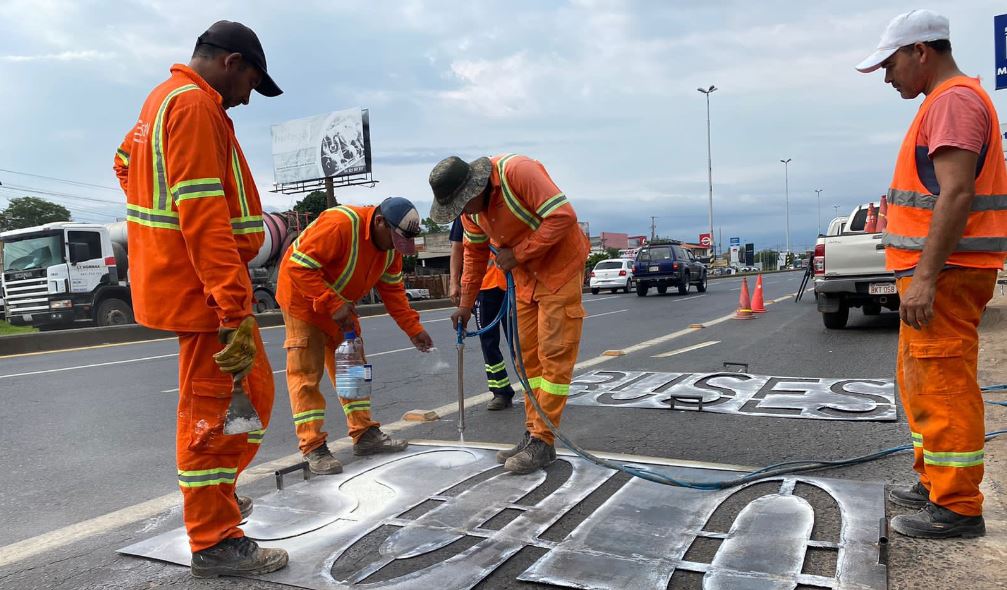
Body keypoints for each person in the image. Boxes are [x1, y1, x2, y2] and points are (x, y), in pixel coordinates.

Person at [113, 21, 288, 577]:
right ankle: (215, 540)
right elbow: (203, 212)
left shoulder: (161, 100)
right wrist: (232, 303)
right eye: (251, 85)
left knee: (249, 396)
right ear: (233, 62)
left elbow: (124, 164)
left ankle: (219, 507)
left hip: (191, 283)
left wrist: (154, 234)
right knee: (217, 417)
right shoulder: (195, 106)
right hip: (205, 292)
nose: (246, 101)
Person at [856, 9, 1007, 538]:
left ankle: (958, 507)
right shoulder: (949, 102)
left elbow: (957, 193)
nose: (887, 76)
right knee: (921, 382)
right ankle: (934, 482)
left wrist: (923, 276)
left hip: (946, 272)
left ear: (922, 51)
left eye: (890, 64)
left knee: (941, 383)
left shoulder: (952, 103)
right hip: (942, 270)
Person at [429, 154, 590, 474]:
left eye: (462, 204)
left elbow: (563, 216)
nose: (461, 213)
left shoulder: (519, 172)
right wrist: (465, 304)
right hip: (524, 278)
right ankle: (533, 432)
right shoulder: (470, 215)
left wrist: (518, 253)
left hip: (559, 269)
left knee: (553, 354)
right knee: (527, 359)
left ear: (474, 188)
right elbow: (474, 256)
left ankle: (544, 440)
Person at [275, 197, 434, 475]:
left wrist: (414, 329)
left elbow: (394, 293)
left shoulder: (391, 248)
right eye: (395, 240)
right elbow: (297, 267)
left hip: (340, 308)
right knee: (306, 377)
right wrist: (332, 303)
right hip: (304, 304)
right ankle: (313, 446)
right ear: (380, 221)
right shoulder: (340, 225)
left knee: (355, 370)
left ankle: (364, 434)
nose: (396, 249)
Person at [448, 217, 516, 410]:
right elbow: (457, 248)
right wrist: (454, 282)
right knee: (488, 342)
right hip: (483, 286)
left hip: (512, 282)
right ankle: (500, 392)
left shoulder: (501, 203)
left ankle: (533, 389)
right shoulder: (464, 214)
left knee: (520, 341)